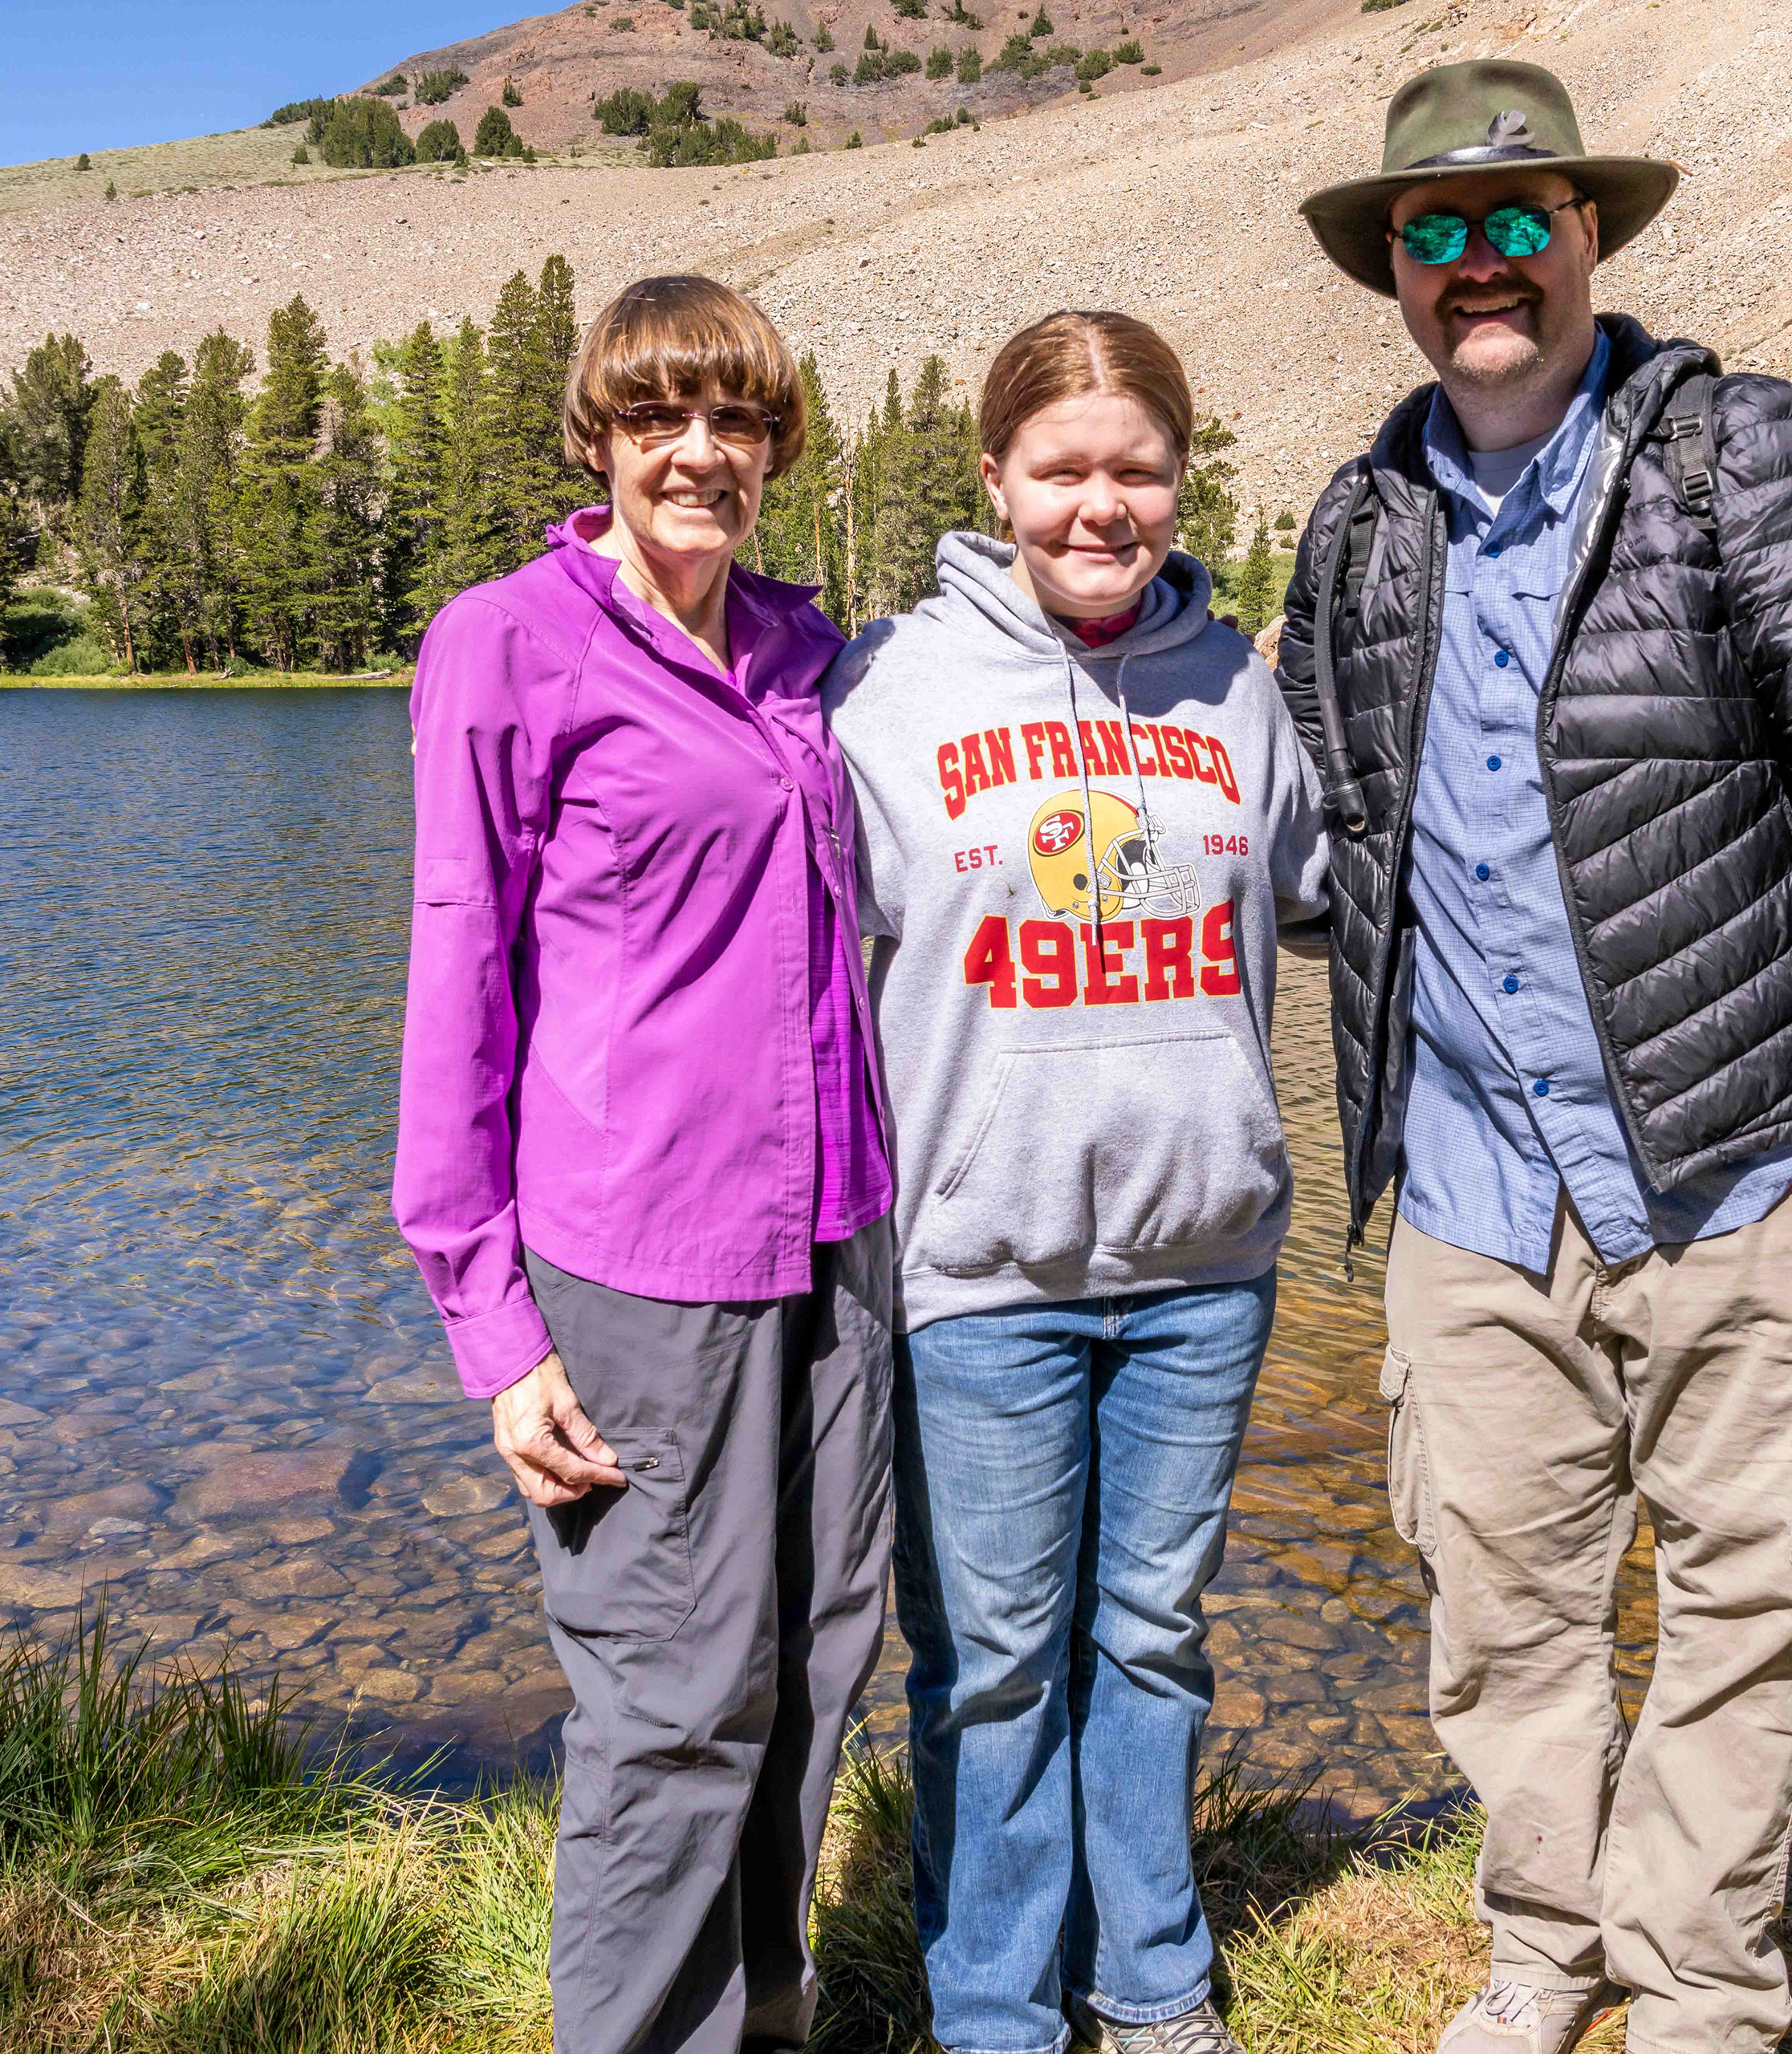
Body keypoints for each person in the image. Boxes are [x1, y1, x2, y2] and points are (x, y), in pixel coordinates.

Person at [1278, 62, 1792, 2054]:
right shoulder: (1361, 516)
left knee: (1753, 1598)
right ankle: (1544, 1950)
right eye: (1440, 232)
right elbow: (1327, 823)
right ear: (1392, 270)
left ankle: (1694, 1987)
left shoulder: (1745, 455)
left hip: (1745, 1160)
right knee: (1503, 1619)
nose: (1482, 265)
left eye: (1522, 220)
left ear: (1591, 235)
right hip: (1477, 1193)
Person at [392, 274, 894, 2054]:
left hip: (839, 1231)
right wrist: (492, 1322)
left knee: (821, 1649)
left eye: (740, 420)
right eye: (662, 417)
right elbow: (459, 972)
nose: (703, 451)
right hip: (639, 1249)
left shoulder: (802, 647)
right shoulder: (507, 641)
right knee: (674, 1692)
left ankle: (762, 2009)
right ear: (598, 436)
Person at [825, 311, 1330, 2054]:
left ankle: (1157, 1978)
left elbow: (1347, 877)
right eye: (1064, 470)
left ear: (1180, 482)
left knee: (1155, 1637)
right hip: (983, 1268)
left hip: (1205, 1261)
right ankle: (993, 2007)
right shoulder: (888, 692)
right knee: (990, 1661)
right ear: (995, 478)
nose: (1101, 506)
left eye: (1138, 470)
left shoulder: (1237, 690)